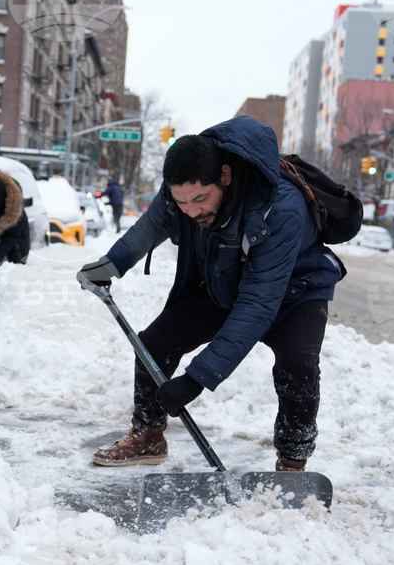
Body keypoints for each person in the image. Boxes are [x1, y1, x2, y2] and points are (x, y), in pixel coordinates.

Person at [78, 115, 346, 471]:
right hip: (225, 280)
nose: (192, 212)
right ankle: (147, 435)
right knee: (154, 344)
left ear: (225, 175)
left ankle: (293, 460)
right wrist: (109, 266)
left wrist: (195, 379)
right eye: (183, 203)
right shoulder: (183, 190)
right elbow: (152, 224)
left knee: (298, 365)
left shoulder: (280, 207)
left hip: (295, 291)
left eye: (200, 200)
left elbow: (258, 302)